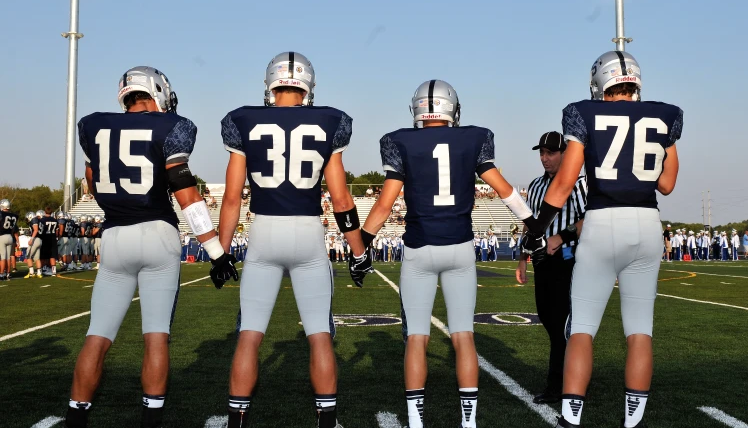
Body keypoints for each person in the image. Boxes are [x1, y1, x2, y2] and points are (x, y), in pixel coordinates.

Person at [361, 79, 535, 428]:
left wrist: (361, 243)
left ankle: (415, 419)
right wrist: (534, 220)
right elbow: (502, 189)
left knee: (417, 338)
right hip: (459, 247)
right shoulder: (473, 137)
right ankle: (468, 420)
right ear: (453, 109)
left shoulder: (401, 141)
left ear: (418, 110)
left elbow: (385, 202)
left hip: (420, 246)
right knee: (463, 335)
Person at [521, 51, 682, 428]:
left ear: (599, 82)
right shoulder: (665, 115)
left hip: (602, 220)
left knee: (582, 327)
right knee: (640, 327)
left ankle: (571, 417)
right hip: (646, 223)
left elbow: (564, 183)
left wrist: (535, 229)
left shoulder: (584, 112)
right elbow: (668, 183)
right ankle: (633, 420)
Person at [65, 66, 231, 428]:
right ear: (158, 93)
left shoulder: (93, 125)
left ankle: (76, 418)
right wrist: (216, 253)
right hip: (157, 234)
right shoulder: (172, 126)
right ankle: (150, 421)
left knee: (97, 336)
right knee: (156, 336)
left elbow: (92, 181)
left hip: (114, 238)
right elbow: (186, 193)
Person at [218, 51, 368, 428]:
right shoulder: (328, 121)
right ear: (308, 86)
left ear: (270, 85)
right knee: (319, 333)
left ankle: (237, 420)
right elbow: (341, 199)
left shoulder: (244, 120)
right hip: (307, 233)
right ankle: (326, 420)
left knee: (250, 333)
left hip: (264, 232)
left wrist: (219, 251)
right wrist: (357, 251)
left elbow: (233, 197)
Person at [515, 131, 587, 404]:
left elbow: (588, 219)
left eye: (551, 153)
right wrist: (523, 256)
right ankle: (572, 376)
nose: (545, 158)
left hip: (569, 259)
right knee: (548, 319)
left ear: (565, 154)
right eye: (542, 153)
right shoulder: (535, 185)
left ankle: (560, 384)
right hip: (542, 260)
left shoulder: (579, 183)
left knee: (562, 324)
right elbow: (531, 225)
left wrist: (564, 236)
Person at [0, 199, 18, 281]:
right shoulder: (14, 215)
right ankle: (8, 273)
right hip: (10, 237)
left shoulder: (1, 214)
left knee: (2, 257)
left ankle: (1, 274)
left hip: (2, 236)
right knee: (8, 257)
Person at [24, 211, 44, 278]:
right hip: (40, 240)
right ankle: (39, 273)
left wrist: (31, 239)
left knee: (28, 256)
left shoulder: (34, 219)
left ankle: (31, 272)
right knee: (37, 258)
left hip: (35, 239)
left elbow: (35, 230)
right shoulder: (40, 220)